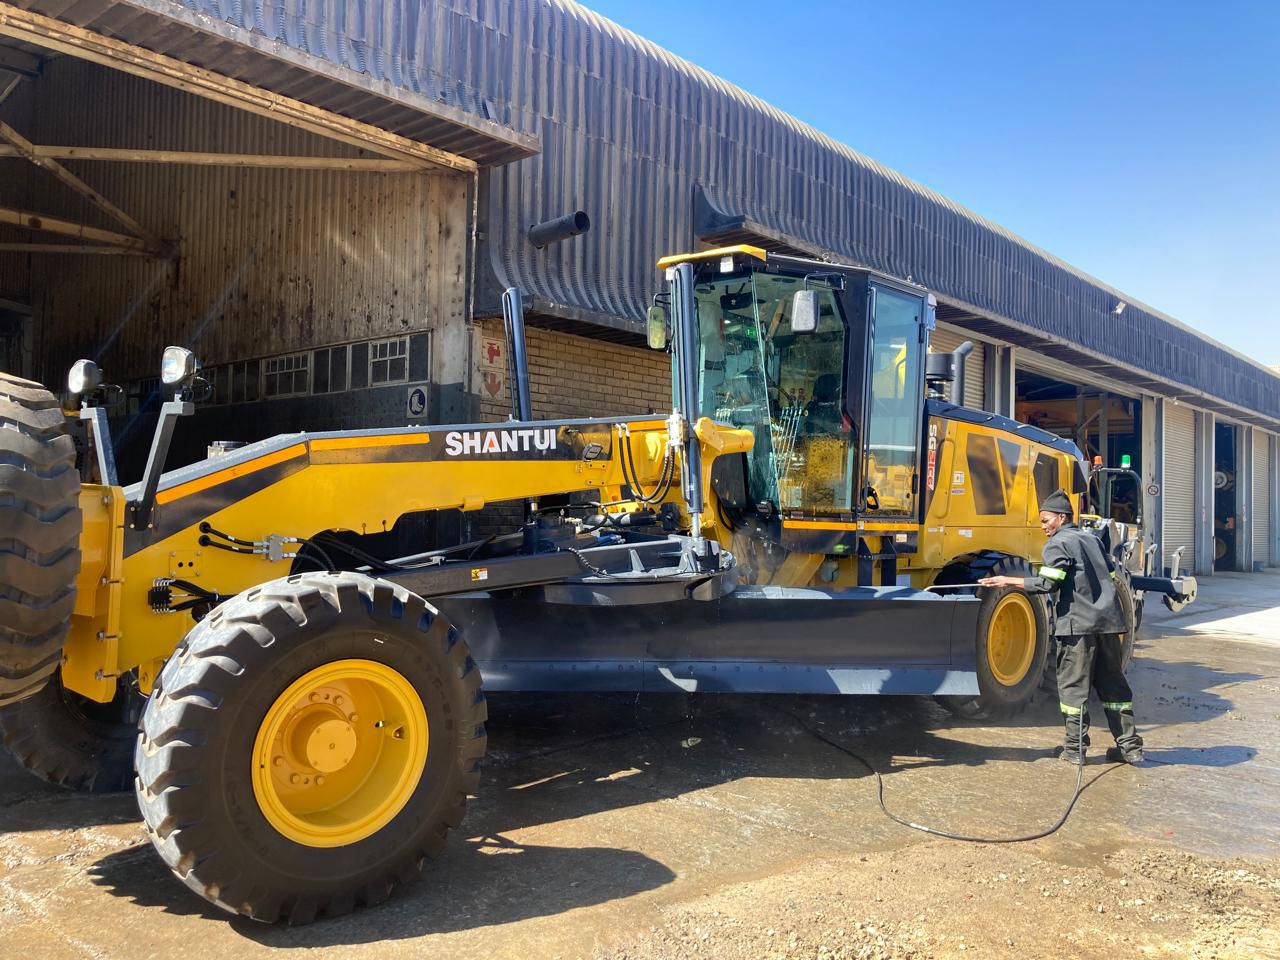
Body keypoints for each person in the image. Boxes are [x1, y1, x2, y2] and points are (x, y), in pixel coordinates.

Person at [979, 488, 1145, 765]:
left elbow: (1048, 583)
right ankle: (1130, 748)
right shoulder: (1092, 540)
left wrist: (1006, 580)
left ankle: (1074, 750)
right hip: (1107, 625)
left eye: (1046, 521)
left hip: (1077, 627)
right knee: (1113, 686)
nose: (1043, 527)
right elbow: (1113, 575)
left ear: (1061, 517)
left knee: (1073, 688)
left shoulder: (1058, 544)